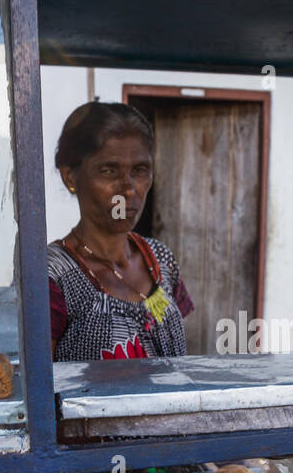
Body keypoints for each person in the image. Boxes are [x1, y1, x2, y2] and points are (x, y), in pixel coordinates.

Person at [48, 102, 193, 361]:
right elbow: (36, 388)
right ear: (70, 177)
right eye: (108, 171)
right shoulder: (52, 277)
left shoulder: (161, 261)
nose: (128, 189)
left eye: (140, 170)